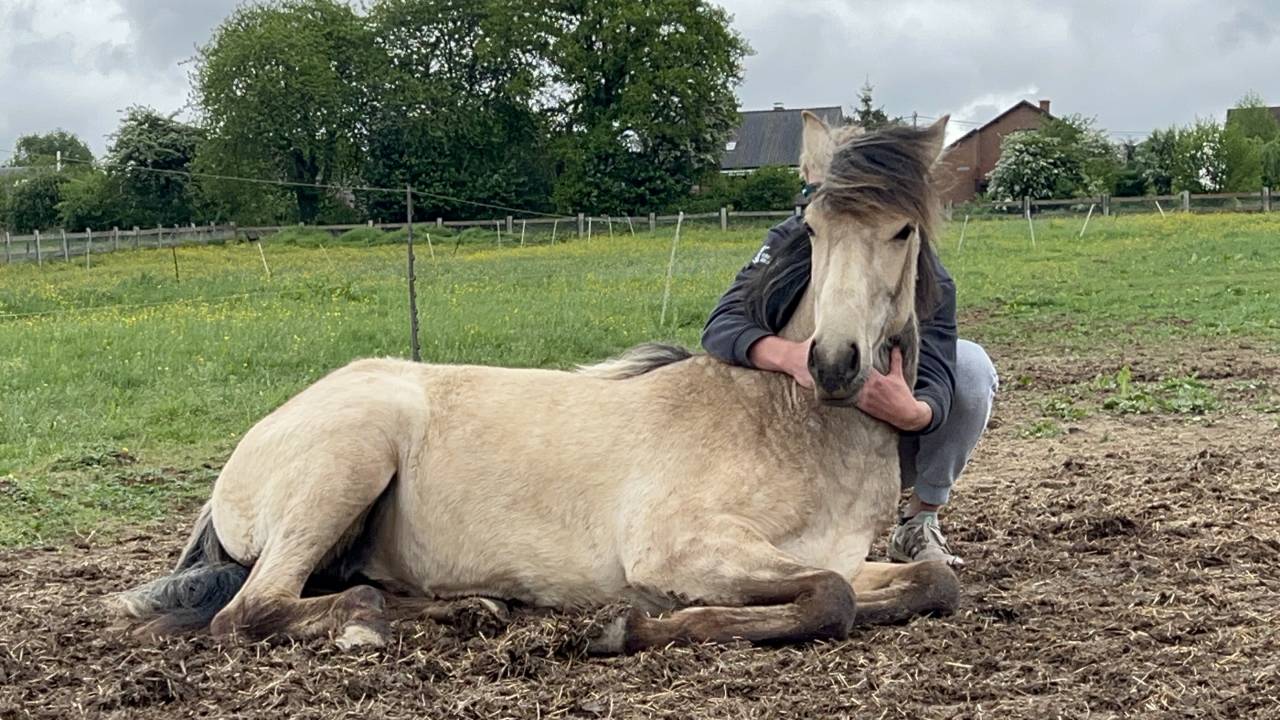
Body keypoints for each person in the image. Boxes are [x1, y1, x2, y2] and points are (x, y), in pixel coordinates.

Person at [701, 204, 997, 568]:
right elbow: (722, 324)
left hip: (876, 439)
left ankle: (920, 521)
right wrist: (788, 356)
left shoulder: (926, 269)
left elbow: (938, 364)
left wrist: (916, 413)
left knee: (970, 369)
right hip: (792, 434)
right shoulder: (790, 237)